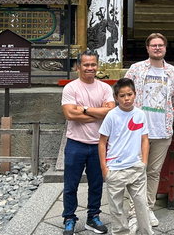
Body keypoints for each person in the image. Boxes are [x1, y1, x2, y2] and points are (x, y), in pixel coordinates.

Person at [124, 33, 174, 229]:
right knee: (137, 171)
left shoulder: (172, 72)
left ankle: (147, 208)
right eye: (153, 45)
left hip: (162, 130)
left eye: (160, 45)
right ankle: (133, 212)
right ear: (147, 48)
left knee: (154, 172)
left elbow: (173, 96)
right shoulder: (136, 69)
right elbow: (125, 93)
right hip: (139, 131)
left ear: (165, 48)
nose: (157, 48)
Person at [61, 50, 115, 235]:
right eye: (86, 65)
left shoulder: (105, 88)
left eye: (93, 64)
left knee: (96, 183)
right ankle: (69, 217)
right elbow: (69, 114)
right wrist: (97, 113)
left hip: (98, 144)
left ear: (97, 66)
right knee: (70, 184)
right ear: (78, 67)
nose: (90, 68)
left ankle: (93, 216)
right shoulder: (71, 88)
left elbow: (110, 112)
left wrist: (83, 109)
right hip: (76, 143)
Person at [99, 78, 152, 235]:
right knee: (117, 208)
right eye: (122, 96)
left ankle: (146, 231)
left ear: (135, 94)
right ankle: (121, 232)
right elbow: (102, 142)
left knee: (142, 204)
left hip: (136, 166)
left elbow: (144, 139)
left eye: (129, 94)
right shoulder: (111, 116)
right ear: (116, 98)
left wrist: (144, 162)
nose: (126, 98)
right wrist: (104, 169)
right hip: (115, 168)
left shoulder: (140, 114)